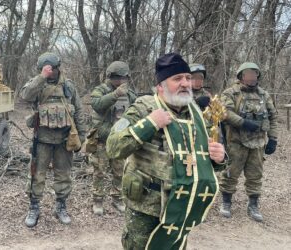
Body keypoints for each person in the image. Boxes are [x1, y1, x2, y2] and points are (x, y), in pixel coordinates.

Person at [106, 53, 225, 249]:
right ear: (160, 85)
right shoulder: (143, 108)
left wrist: (219, 158)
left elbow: (202, 160)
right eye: (177, 79)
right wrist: (150, 123)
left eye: (188, 78)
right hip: (146, 206)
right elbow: (113, 147)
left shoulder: (195, 113)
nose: (185, 83)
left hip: (181, 205)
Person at [20, 52, 86, 227]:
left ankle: (61, 206)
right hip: (41, 140)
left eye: (53, 68)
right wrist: (42, 77)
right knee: (36, 175)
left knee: (63, 175)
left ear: (58, 68)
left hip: (64, 140)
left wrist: (82, 136)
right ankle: (34, 207)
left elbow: (78, 111)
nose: (51, 71)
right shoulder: (37, 84)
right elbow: (25, 96)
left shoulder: (69, 87)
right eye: (46, 69)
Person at [219, 62, 278, 222]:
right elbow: (225, 113)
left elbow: (273, 117)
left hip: (258, 143)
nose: (252, 76)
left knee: (255, 175)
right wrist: (243, 123)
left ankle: (253, 205)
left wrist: (273, 138)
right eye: (248, 74)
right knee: (231, 173)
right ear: (241, 76)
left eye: (254, 73)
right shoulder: (231, 93)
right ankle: (226, 202)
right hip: (236, 142)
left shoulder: (264, 95)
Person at [89, 61, 136, 215]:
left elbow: (136, 108)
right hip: (102, 138)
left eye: (124, 78)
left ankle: (117, 198)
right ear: (110, 77)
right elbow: (97, 104)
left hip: (120, 138)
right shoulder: (100, 90)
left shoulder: (129, 93)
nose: (121, 81)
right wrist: (115, 95)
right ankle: (98, 200)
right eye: (118, 78)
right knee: (99, 171)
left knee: (120, 171)